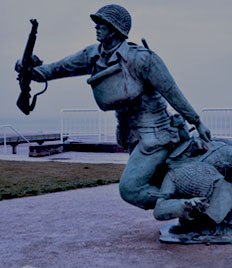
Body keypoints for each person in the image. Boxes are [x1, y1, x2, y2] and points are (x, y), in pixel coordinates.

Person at [15, 4, 211, 210]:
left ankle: (189, 206)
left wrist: (197, 122)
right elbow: (55, 69)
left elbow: (172, 92)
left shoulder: (142, 58)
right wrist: (27, 68)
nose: (96, 27)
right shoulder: (92, 55)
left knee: (131, 189)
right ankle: (190, 202)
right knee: (157, 180)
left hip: (156, 134)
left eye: (102, 23)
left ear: (115, 28)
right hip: (129, 135)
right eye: (97, 23)